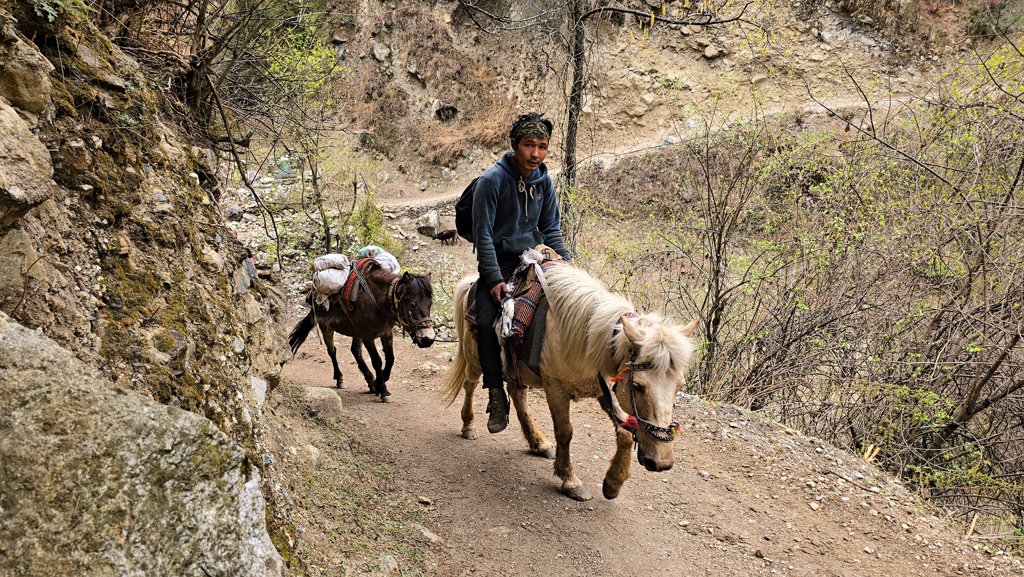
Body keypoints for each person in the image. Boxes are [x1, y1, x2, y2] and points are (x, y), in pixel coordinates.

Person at [472, 112, 572, 433]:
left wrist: (568, 268)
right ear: (514, 144)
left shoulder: (544, 182)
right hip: (498, 262)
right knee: (487, 321)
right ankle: (496, 393)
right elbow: (483, 235)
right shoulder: (492, 181)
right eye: (529, 145)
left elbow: (551, 230)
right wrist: (494, 279)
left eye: (542, 146)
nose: (535, 153)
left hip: (534, 259)